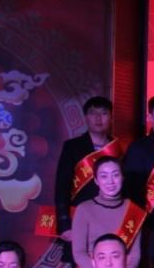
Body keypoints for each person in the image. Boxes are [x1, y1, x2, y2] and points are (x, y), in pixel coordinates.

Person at [54, 96, 129, 250]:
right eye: (93, 113)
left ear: (111, 117)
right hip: (80, 218)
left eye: (104, 113)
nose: (98, 118)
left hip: (113, 217)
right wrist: (64, 223)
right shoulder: (72, 147)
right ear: (86, 117)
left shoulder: (119, 148)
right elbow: (62, 187)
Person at [69, 156, 146, 268]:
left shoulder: (134, 211)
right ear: (96, 180)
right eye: (104, 176)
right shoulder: (84, 209)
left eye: (115, 175)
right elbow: (79, 252)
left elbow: (135, 254)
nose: (110, 181)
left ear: (122, 177)